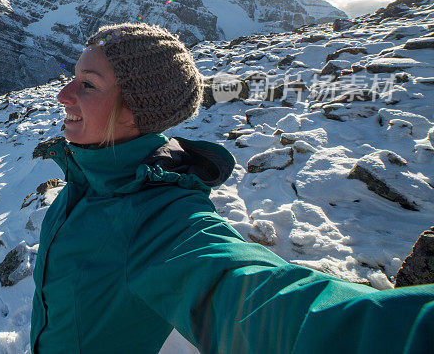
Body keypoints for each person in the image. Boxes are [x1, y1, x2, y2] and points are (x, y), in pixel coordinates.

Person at [30, 22, 434, 353]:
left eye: (88, 84)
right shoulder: (94, 173)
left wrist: (413, 331)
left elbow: (263, 303)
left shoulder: (158, 216)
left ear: (137, 111)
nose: (63, 94)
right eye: (73, 78)